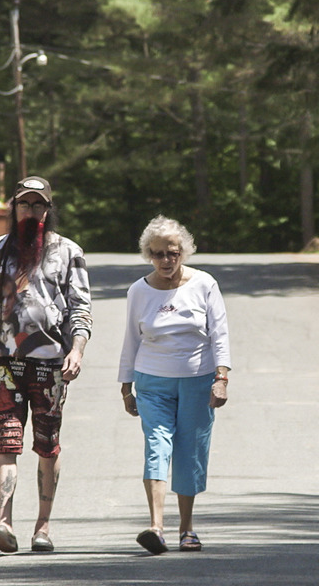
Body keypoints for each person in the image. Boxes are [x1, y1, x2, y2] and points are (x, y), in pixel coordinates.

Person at [0, 176, 93, 554]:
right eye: (24, 204)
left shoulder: (68, 252)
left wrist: (77, 350)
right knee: (6, 443)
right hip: (5, 364)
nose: (31, 211)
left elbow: (81, 307)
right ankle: (4, 523)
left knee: (47, 445)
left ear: (48, 210)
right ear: (14, 208)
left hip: (50, 365)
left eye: (38, 205)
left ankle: (43, 527)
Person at [118, 215, 231, 555]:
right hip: (152, 381)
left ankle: (187, 529)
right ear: (147, 255)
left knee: (190, 451)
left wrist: (221, 378)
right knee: (157, 445)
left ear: (184, 251)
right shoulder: (138, 291)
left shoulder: (204, 284)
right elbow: (130, 340)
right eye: (157, 254)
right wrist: (126, 386)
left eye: (172, 253)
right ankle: (156, 526)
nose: (165, 261)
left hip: (198, 380)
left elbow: (220, 335)